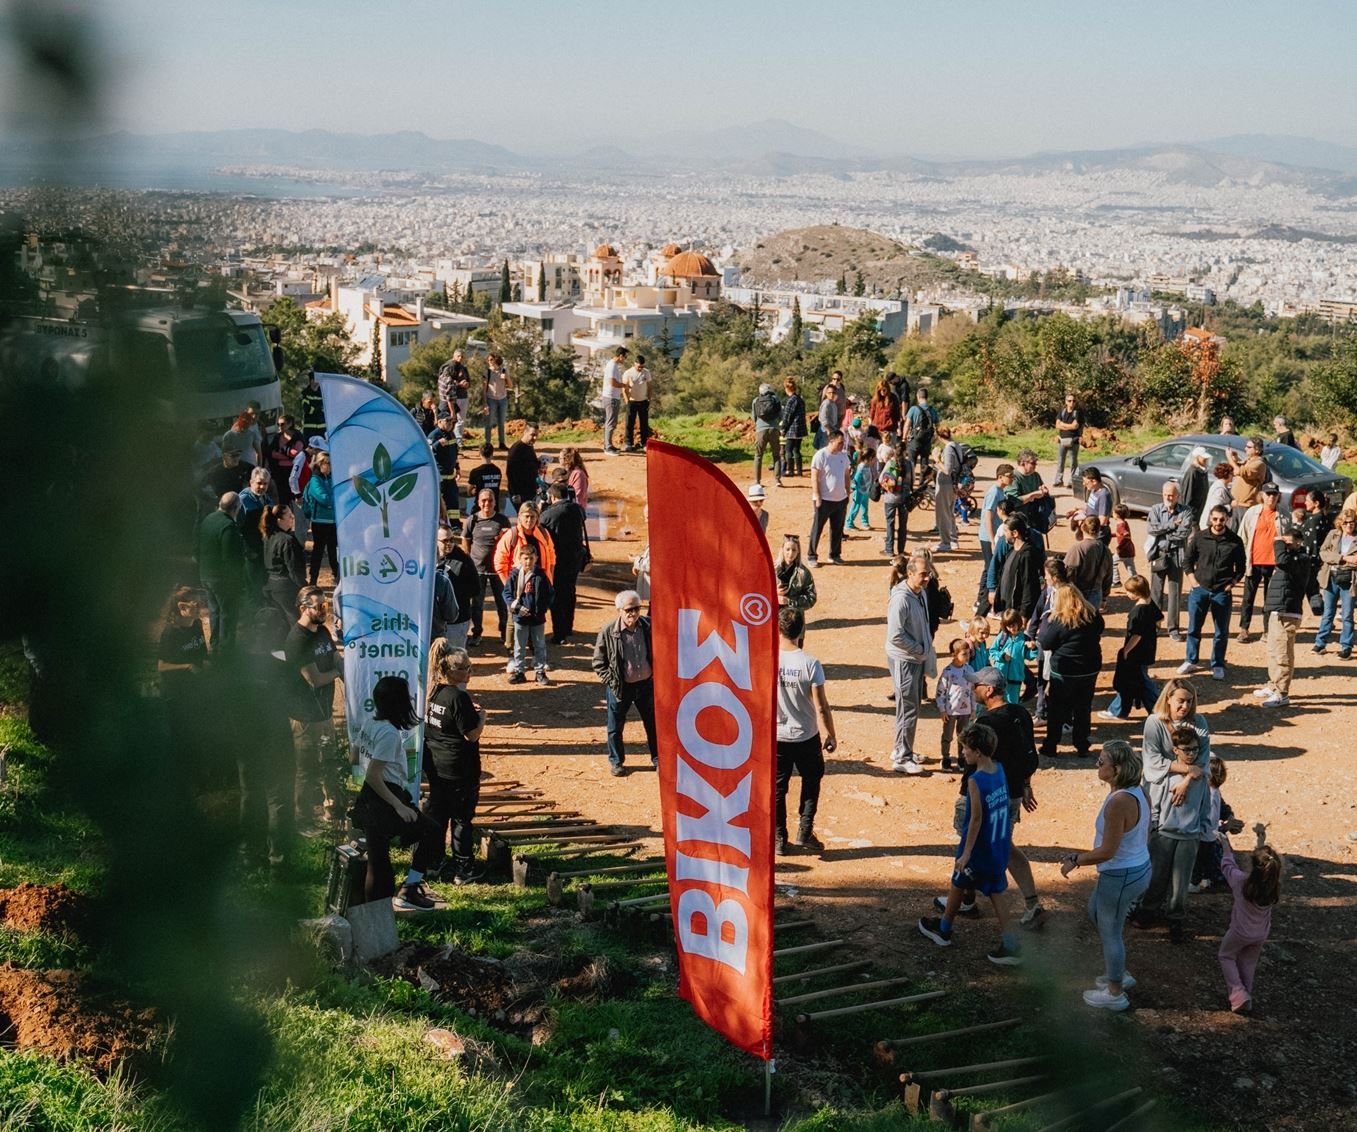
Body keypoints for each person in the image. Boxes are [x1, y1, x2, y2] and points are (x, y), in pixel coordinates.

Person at [917, 723, 1021, 966]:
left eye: (966, 749)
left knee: (960, 879)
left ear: (978, 752)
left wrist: (966, 853)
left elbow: (975, 819)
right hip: (998, 843)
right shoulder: (1000, 770)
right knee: (985, 889)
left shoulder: (976, 780)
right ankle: (1009, 943)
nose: (963, 753)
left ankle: (944, 931)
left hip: (978, 848)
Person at [1058, 739, 1151, 1011]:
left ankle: (1115, 990)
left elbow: (1107, 851)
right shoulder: (1138, 792)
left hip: (1121, 874)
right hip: (1135, 868)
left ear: (1117, 769)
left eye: (1102, 762)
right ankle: (1117, 972)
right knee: (1095, 911)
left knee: (1110, 930)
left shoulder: (1119, 802)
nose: (1097, 765)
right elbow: (1145, 831)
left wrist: (1076, 860)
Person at [949, 667, 1044, 926]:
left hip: (986, 796)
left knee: (972, 844)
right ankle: (1031, 902)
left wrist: (965, 798)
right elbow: (1028, 754)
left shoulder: (985, 724)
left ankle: (966, 901)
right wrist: (1026, 785)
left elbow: (973, 770)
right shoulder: (1021, 713)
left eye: (976, 685)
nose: (972, 688)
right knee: (1005, 846)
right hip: (1012, 793)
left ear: (989, 690)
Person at [1132, 679, 1212, 944]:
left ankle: (1174, 917)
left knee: (1181, 875)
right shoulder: (1155, 723)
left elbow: (1202, 763)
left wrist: (1188, 779)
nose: (1185, 706)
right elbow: (1153, 763)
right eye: (1180, 700)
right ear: (1168, 698)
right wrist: (1188, 771)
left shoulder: (1199, 722)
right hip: (1160, 800)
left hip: (1188, 811)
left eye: (1189, 700)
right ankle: (1148, 910)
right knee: (1157, 866)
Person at [352, 675, 432, 909]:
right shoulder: (388, 733)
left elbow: (354, 756)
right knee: (429, 833)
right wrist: (398, 805)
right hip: (386, 798)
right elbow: (373, 775)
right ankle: (408, 891)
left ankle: (373, 916)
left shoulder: (370, 722)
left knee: (378, 862)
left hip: (369, 797)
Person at [415, 641, 486, 886]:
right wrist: (483, 718)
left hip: (436, 766)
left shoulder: (434, 691)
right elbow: (471, 734)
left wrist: (467, 711)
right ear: (454, 672)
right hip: (460, 769)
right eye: (467, 667)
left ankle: (433, 863)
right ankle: (464, 868)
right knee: (461, 818)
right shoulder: (458, 697)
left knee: (438, 815)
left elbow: (448, 719)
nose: (470, 671)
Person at [775, 607, 837, 855]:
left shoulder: (768, 658)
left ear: (778, 629)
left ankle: (779, 837)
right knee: (812, 780)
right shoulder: (811, 664)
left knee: (778, 788)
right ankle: (804, 830)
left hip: (777, 735)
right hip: (806, 735)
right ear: (802, 630)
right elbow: (821, 706)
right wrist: (831, 733)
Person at [237, 606, 295, 869]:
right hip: (276, 735)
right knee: (279, 797)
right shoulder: (282, 663)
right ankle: (279, 860)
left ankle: (250, 854)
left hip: (246, 735)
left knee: (250, 795)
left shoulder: (239, 662)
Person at [285, 586, 341, 835]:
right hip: (305, 717)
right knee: (306, 770)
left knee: (330, 763)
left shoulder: (323, 631)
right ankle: (303, 819)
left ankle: (333, 811)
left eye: (325, 606)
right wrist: (339, 673)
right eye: (319, 607)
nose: (323, 611)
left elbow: (335, 657)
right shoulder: (297, 641)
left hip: (324, 712)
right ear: (303, 608)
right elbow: (315, 679)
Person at [592, 590, 658, 776]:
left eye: (637, 608)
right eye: (629, 609)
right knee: (615, 727)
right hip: (621, 688)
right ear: (619, 609)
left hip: (646, 686)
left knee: (653, 725)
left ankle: (657, 758)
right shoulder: (609, 631)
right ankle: (616, 762)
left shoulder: (648, 626)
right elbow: (598, 662)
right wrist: (612, 681)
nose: (633, 613)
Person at [1216, 830, 1282, 1014]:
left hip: (1239, 931)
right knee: (1248, 963)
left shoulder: (1241, 882)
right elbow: (1264, 862)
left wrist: (1225, 845)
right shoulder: (1274, 886)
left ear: (1252, 865)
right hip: (1260, 934)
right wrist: (1261, 840)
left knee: (1226, 956)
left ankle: (1238, 993)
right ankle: (1246, 997)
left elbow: (1227, 865)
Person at [1179, 505, 1246, 680]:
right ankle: (1190, 660)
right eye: (1215, 519)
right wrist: (1193, 581)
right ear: (1210, 518)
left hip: (1222, 592)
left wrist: (1232, 583)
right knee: (1194, 627)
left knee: (1221, 631)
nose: (1218, 523)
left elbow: (1241, 567)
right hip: (1199, 589)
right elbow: (1187, 561)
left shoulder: (1235, 541)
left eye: (1222, 519)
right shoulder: (1200, 537)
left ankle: (1217, 664)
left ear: (1227, 519)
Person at [1038, 584, 1103, 759]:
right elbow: (1099, 631)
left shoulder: (1059, 620)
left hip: (1064, 670)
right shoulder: (1093, 615)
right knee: (1083, 707)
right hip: (1089, 668)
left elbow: (1045, 643)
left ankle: (1051, 745)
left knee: (1056, 709)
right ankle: (1082, 745)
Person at [886, 555, 936, 776]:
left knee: (911, 706)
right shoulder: (901, 599)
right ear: (910, 573)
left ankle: (903, 749)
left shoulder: (920, 593)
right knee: (908, 708)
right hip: (904, 660)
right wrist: (920, 649)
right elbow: (895, 636)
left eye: (928, 573)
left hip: (915, 658)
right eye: (923, 574)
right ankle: (902, 757)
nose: (927, 578)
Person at [1258, 520, 1309, 709]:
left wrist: (1278, 543)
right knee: (1273, 651)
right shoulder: (1289, 559)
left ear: (1298, 543)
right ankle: (1273, 686)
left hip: (1288, 612)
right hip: (1277, 610)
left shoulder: (1300, 559)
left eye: (1288, 544)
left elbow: (1282, 560)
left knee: (1283, 654)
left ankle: (1282, 693)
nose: (1283, 547)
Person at [1236, 481, 1290, 643]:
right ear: (1262, 495)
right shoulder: (1252, 513)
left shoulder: (1284, 515)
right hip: (1254, 561)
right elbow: (1242, 536)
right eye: (1268, 494)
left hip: (1274, 564)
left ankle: (1267, 630)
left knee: (1271, 599)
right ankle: (1244, 629)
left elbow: (1290, 541)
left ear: (1278, 496)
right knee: (1248, 597)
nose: (1271, 497)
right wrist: (1240, 559)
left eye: (1274, 494)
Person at [1102, 575, 1162, 718]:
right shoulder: (1150, 603)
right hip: (1148, 648)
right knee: (1134, 680)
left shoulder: (1137, 611)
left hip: (1136, 652)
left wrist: (1126, 650)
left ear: (1136, 593)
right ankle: (1119, 710)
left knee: (1138, 682)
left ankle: (1158, 710)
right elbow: (1160, 618)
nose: (1127, 594)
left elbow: (1136, 635)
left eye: (1129, 592)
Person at [539, 481, 589, 643]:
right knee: (570, 592)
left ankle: (559, 633)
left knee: (557, 597)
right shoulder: (577, 509)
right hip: (575, 558)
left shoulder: (549, 514)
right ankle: (568, 627)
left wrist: (541, 507)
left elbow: (540, 528)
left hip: (557, 561)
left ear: (552, 497)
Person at [199, 492, 247, 652]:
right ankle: (226, 651)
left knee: (214, 612)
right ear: (236, 508)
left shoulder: (208, 519)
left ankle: (214, 645)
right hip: (222, 579)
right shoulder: (229, 526)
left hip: (206, 574)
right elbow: (230, 558)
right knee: (228, 615)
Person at [1146, 479, 1193, 642]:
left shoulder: (1186, 511)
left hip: (1176, 556)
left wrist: (1163, 531)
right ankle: (1154, 626)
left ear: (1178, 496)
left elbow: (1184, 533)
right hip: (1158, 554)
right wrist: (1172, 525)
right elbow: (1151, 529)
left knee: (1175, 594)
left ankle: (1173, 629)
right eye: (1166, 495)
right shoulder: (1155, 509)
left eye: (1171, 495)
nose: (1168, 498)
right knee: (1155, 593)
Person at [462, 488, 511, 646]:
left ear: (495, 502)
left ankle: (505, 632)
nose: (487, 503)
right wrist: (468, 561)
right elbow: (465, 540)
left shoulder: (502, 520)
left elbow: (510, 542)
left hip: (498, 570)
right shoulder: (472, 520)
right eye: (483, 500)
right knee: (477, 604)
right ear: (478, 502)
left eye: (490, 500)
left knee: (502, 603)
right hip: (478, 570)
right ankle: (477, 633)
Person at [504, 542, 553, 685]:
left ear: (536, 558)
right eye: (525, 558)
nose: (528, 561)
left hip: (537, 618)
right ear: (520, 558)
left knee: (539, 645)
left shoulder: (541, 575)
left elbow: (550, 593)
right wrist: (517, 607)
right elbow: (506, 593)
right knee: (519, 645)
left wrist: (543, 608)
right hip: (520, 617)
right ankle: (519, 672)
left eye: (531, 558)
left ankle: (540, 672)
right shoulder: (514, 575)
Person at [973, 462, 1015, 615]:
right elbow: (988, 517)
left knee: (989, 567)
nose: (1012, 479)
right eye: (1010, 476)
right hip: (988, 536)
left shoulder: (1001, 491)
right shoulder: (993, 492)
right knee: (992, 569)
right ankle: (983, 600)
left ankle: (981, 598)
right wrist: (992, 540)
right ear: (1000, 477)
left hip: (992, 535)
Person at [1316, 508, 1357, 659]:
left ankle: (1346, 646)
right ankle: (1320, 643)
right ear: (1340, 522)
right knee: (1328, 613)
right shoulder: (1333, 534)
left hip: (1349, 580)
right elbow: (1323, 553)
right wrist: (1344, 558)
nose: (1349, 525)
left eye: (1352, 522)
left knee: (1347, 615)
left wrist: (1339, 560)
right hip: (1331, 577)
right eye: (1346, 522)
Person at [807, 429, 850, 567]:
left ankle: (835, 555)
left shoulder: (843, 456)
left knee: (837, 528)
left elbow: (846, 475)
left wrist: (847, 492)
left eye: (843, 442)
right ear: (831, 441)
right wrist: (817, 496)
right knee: (817, 528)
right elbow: (814, 476)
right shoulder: (821, 455)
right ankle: (812, 555)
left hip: (840, 500)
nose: (843, 445)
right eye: (840, 442)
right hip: (824, 499)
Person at [935, 639, 975, 772]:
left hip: (965, 711)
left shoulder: (969, 670)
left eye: (968, 653)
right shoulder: (948, 671)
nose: (967, 656)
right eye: (964, 654)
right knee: (947, 735)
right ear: (954, 654)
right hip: (950, 711)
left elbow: (972, 691)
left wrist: (973, 709)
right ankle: (945, 759)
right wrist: (942, 709)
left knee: (962, 736)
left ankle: (962, 759)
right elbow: (941, 691)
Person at [435, 525, 478, 650]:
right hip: (437, 622)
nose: (449, 543)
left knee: (455, 658)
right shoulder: (429, 558)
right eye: (444, 541)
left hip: (458, 621)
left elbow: (475, 588)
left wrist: (451, 593)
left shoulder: (463, 560)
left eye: (451, 540)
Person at [994, 515, 1043, 621]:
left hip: (1017, 614)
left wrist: (1024, 614)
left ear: (1015, 533)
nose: (1004, 534)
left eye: (1006, 531)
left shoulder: (1026, 555)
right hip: (1008, 612)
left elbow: (1029, 586)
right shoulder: (1012, 551)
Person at [262, 503, 307, 618]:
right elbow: (294, 570)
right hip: (287, 589)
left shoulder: (268, 536)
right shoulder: (287, 540)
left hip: (272, 586)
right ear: (279, 520)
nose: (293, 519)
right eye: (289, 516)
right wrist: (304, 588)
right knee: (294, 621)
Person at [302, 451, 338, 586]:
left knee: (333, 551)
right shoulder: (315, 480)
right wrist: (337, 497)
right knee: (318, 552)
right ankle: (313, 580)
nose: (330, 466)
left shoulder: (331, 478)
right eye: (327, 463)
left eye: (331, 463)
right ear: (320, 464)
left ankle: (338, 578)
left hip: (333, 521)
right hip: (320, 522)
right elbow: (324, 498)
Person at [1064, 517, 1113, 609]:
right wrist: (1104, 598)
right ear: (1099, 529)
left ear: (1082, 528)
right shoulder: (1106, 550)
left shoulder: (1077, 548)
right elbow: (1109, 576)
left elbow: (1069, 571)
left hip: (1077, 593)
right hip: (1096, 594)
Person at [989, 609, 1035, 705]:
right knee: (998, 703)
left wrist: (1033, 649)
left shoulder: (1024, 639)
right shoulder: (1002, 637)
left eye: (1013, 625)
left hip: (1015, 678)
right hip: (1000, 677)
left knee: (1013, 704)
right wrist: (1002, 656)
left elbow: (1029, 657)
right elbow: (992, 651)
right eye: (1008, 626)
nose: (1011, 628)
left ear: (1018, 623)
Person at [775, 534, 816, 637]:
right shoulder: (771, 570)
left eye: (794, 550)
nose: (790, 553)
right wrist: (774, 593)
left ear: (798, 552)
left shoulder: (803, 573)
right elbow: (758, 593)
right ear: (782, 549)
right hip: (773, 624)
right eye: (787, 549)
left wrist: (789, 601)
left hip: (794, 627)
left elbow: (811, 598)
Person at [1008, 450, 1052, 535]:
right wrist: (1034, 495)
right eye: (1033, 463)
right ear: (1022, 463)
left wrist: (1045, 492)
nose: (1035, 465)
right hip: (1018, 522)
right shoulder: (1013, 477)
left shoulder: (1035, 475)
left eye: (1036, 462)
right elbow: (1013, 502)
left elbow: (1043, 491)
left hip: (1034, 520)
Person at [1227, 435, 1268, 524]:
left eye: (1249, 447)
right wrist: (1236, 458)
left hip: (1245, 506)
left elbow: (1238, 471)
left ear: (1257, 450)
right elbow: (1241, 465)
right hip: (1237, 504)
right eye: (1246, 446)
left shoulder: (1259, 464)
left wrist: (1229, 458)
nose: (1245, 449)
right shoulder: (1249, 461)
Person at [933, 426, 962, 552]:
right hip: (952, 484)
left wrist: (936, 459)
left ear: (939, 436)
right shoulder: (956, 445)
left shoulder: (949, 448)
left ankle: (945, 542)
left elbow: (947, 470)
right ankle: (953, 540)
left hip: (945, 484)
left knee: (943, 514)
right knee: (949, 513)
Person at [878, 445, 910, 558]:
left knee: (890, 523)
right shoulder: (908, 464)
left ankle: (889, 549)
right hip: (905, 498)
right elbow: (912, 480)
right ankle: (901, 550)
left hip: (890, 498)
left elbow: (881, 478)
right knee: (903, 525)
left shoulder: (890, 463)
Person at [267, 415, 304, 506]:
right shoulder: (277, 437)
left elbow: (297, 455)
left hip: (294, 472)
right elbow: (272, 454)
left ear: (290, 424)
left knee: (296, 499)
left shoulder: (298, 436)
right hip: (280, 473)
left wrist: (281, 453)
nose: (280, 427)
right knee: (283, 500)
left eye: (282, 424)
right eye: (278, 424)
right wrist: (288, 454)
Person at [427, 413, 460, 516]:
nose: (450, 424)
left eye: (451, 421)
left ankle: (455, 525)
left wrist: (457, 468)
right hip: (439, 477)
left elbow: (455, 453)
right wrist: (437, 444)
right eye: (447, 421)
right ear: (439, 421)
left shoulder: (451, 434)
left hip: (451, 477)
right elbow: (427, 453)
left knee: (453, 502)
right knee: (438, 503)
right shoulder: (433, 435)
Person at [903, 387, 938, 485]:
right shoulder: (933, 410)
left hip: (915, 440)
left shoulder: (913, 409)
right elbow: (938, 427)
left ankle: (910, 484)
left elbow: (907, 425)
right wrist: (934, 439)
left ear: (918, 397)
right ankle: (922, 485)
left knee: (911, 464)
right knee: (924, 464)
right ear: (927, 397)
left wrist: (904, 438)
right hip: (927, 441)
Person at [751, 382, 783, 488]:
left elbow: (754, 417)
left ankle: (757, 481)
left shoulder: (755, 400)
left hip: (761, 430)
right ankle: (777, 480)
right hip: (774, 429)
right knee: (776, 455)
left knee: (758, 455)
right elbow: (781, 416)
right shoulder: (776, 399)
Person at [505, 423, 540, 508]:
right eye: (532, 435)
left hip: (530, 492)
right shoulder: (516, 449)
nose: (535, 438)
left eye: (536, 435)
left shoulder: (529, 446)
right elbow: (510, 473)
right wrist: (516, 495)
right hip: (520, 494)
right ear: (525, 432)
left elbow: (532, 464)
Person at [600, 345, 628, 455]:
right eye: (625, 357)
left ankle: (609, 445)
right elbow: (612, 382)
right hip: (610, 398)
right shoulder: (612, 366)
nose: (625, 359)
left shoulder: (614, 365)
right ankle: (607, 448)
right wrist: (624, 386)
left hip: (613, 397)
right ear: (621, 356)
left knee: (611, 422)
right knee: (610, 423)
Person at [622, 354, 652, 451]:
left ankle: (644, 443)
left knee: (644, 424)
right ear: (634, 364)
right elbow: (624, 388)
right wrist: (627, 401)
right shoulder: (628, 373)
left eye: (642, 366)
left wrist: (649, 399)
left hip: (643, 402)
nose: (641, 368)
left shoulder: (646, 372)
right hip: (632, 402)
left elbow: (650, 387)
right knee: (629, 424)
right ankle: (628, 444)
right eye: (639, 366)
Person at [1055, 391, 1084, 488]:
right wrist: (1069, 426)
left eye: (1073, 401)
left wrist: (1063, 425)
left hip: (1074, 441)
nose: (1072, 403)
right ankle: (1058, 481)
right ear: (1066, 401)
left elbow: (1075, 426)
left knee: (1073, 463)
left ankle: (1072, 482)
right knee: (1060, 462)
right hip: (1061, 440)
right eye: (1069, 400)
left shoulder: (1077, 413)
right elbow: (1057, 425)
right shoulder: (1062, 412)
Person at [483, 351, 512, 450]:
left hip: (503, 399)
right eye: (488, 359)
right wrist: (484, 402)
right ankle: (487, 444)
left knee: (501, 423)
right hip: (491, 399)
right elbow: (484, 388)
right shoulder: (487, 372)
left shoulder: (503, 370)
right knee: (489, 423)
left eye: (491, 359)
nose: (489, 361)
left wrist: (506, 377)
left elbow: (511, 386)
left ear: (496, 360)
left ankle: (502, 443)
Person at [779, 377, 807, 478]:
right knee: (797, 450)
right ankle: (799, 472)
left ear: (786, 388)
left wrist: (783, 429)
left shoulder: (791, 401)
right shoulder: (800, 399)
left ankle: (790, 470)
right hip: (800, 429)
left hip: (792, 429)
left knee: (788, 450)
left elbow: (787, 417)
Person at [465, 443, 503, 514]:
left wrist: (473, 491)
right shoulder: (497, 471)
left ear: (480, 454)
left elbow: (469, 492)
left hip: (480, 508)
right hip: (494, 508)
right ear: (492, 454)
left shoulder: (475, 472)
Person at [847, 447, 877, 531]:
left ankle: (865, 522)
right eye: (874, 458)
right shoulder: (862, 466)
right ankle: (849, 523)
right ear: (870, 458)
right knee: (855, 507)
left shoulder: (867, 466)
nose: (875, 460)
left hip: (866, 491)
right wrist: (853, 488)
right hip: (859, 491)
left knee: (865, 507)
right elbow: (856, 478)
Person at [438, 348, 470, 423]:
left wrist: (466, 384)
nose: (460, 358)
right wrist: (459, 384)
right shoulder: (449, 366)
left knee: (457, 422)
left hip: (460, 397)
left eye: (462, 357)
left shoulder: (462, 368)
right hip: (448, 400)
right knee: (445, 423)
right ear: (454, 356)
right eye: (458, 356)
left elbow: (469, 382)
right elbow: (446, 383)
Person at [1181, 446, 1211, 523]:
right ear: (1197, 457)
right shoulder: (1192, 472)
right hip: (1192, 516)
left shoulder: (1203, 471)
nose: (1206, 460)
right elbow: (1187, 496)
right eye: (1203, 458)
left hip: (1200, 513)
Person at [1111, 502, 1137, 588]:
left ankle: (1116, 581)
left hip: (1123, 551)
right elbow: (1120, 534)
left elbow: (1125, 535)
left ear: (1117, 515)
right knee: (1130, 568)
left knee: (1112, 562)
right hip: (1130, 550)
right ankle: (1136, 584)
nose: (1113, 514)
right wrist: (1113, 535)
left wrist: (1119, 548)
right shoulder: (1124, 523)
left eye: (1114, 512)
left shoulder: (1121, 525)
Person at [1201, 462, 1234, 529]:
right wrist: (1230, 506)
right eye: (1231, 474)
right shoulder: (1219, 490)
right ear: (1226, 474)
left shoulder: (1220, 485)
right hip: (1211, 525)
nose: (1233, 476)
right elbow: (1215, 508)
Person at [558, 446, 590, 511]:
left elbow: (577, 496)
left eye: (560, 458)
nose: (558, 460)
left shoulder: (578, 474)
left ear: (566, 459)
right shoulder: (570, 472)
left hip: (576, 511)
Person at [300, 370, 326, 438]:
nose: (319, 382)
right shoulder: (305, 394)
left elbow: (326, 408)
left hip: (322, 428)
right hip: (310, 429)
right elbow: (307, 410)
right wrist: (320, 408)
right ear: (312, 380)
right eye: (317, 380)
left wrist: (314, 408)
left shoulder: (323, 394)